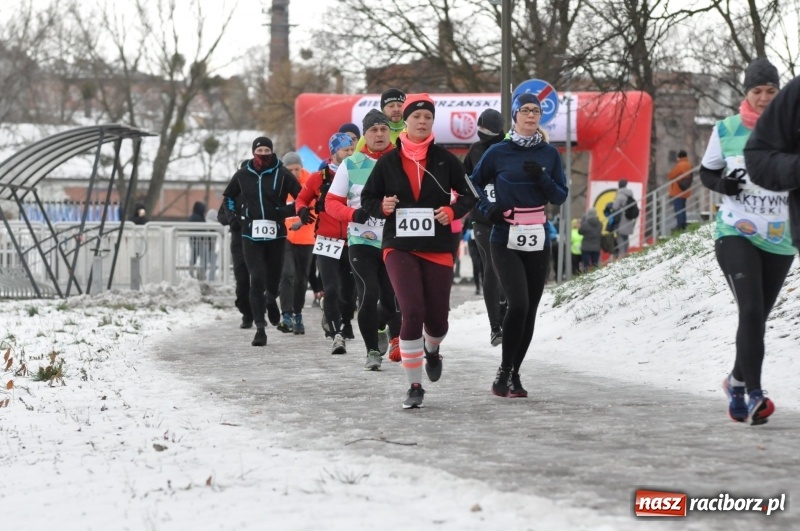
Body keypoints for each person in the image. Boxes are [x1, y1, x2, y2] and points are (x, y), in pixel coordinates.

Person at [361, 93, 476, 408]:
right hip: (398, 245)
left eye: (427, 117)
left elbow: (470, 195)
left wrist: (452, 212)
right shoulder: (388, 161)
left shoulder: (445, 159)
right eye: (416, 117)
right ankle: (414, 385)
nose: (422, 122)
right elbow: (368, 198)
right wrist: (382, 206)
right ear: (406, 122)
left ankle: (433, 348)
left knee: (438, 320)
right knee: (411, 311)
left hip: (437, 245)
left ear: (432, 122)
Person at [701, 58, 792, 425]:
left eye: (771, 91)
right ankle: (754, 392)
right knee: (751, 310)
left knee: (758, 317)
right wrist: (723, 185)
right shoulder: (727, 129)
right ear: (746, 93)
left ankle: (736, 381)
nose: (764, 98)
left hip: (781, 238)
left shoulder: (792, 131)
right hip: (735, 232)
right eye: (757, 91)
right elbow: (708, 172)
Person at [470, 92, 568, 399]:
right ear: (514, 116)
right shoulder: (499, 151)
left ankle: (512, 374)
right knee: (519, 304)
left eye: (536, 111)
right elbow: (472, 184)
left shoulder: (549, 154)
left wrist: (542, 179)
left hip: (538, 235)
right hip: (504, 236)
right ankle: (504, 369)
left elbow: (560, 196)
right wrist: (489, 210)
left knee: (530, 311)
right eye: (525, 110)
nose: (531, 115)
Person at [326, 109, 402, 371]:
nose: (379, 134)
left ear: (389, 131)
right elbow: (331, 202)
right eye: (373, 130)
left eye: (383, 129)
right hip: (362, 240)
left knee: (392, 299)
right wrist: (353, 214)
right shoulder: (351, 163)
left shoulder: (401, 159)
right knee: (369, 293)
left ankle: (381, 325)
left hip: (395, 240)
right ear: (365, 135)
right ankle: (372, 350)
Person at [222, 136, 306, 347]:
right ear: (253, 153)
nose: (263, 154)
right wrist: (234, 219)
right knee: (256, 278)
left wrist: (283, 212)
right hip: (250, 235)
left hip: (276, 235)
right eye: (259, 150)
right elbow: (228, 197)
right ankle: (260, 328)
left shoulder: (281, 172)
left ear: (272, 151)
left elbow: (302, 196)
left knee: (273, 280)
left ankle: (271, 300)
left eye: (267, 150)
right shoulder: (243, 174)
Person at [296, 132, 357, 354]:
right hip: (327, 240)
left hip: (352, 240)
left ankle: (347, 320)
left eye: (352, 150)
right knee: (331, 288)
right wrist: (302, 210)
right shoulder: (319, 177)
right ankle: (335, 331)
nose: (350, 154)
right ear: (334, 152)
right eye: (346, 150)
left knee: (350, 292)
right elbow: (302, 198)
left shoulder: (358, 174)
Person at [464, 108, 506, 346]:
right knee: (491, 265)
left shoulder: (509, 149)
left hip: (508, 217)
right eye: (478, 130)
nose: (481, 134)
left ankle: (505, 305)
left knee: (507, 267)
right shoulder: (475, 150)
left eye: (486, 130)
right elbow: (465, 180)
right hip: (482, 219)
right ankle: (495, 327)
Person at [276, 152, 316, 335]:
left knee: (301, 279)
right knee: (286, 273)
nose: (293, 173)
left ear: (301, 168)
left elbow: (316, 208)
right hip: (285, 237)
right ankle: (286, 314)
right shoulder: (278, 183)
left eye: (296, 169)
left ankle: (298, 313)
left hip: (306, 237)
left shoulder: (311, 183)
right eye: (289, 169)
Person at [217, 196, 252, 329]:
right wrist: (233, 220)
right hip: (239, 244)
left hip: (257, 243)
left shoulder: (257, 189)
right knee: (242, 281)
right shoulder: (233, 195)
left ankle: (258, 312)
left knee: (258, 280)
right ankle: (246, 313)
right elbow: (221, 216)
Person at [668, 150, 693, 231]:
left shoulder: (680, 165)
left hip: (677, 191)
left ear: (679, 157)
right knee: (682, 208)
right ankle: (683, 223)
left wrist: (669, 174)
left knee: (678, 209)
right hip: (685, 190)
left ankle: (680, 225)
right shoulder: (689, 164)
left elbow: (671, 175)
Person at [611, 179, 635, 257]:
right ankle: (625, 251)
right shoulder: (630, 194)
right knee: (626, 236)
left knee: (619, 236)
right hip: (629, 218)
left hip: (621, 219)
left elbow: (615, 207)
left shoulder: (620, 195)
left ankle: (622, 253)